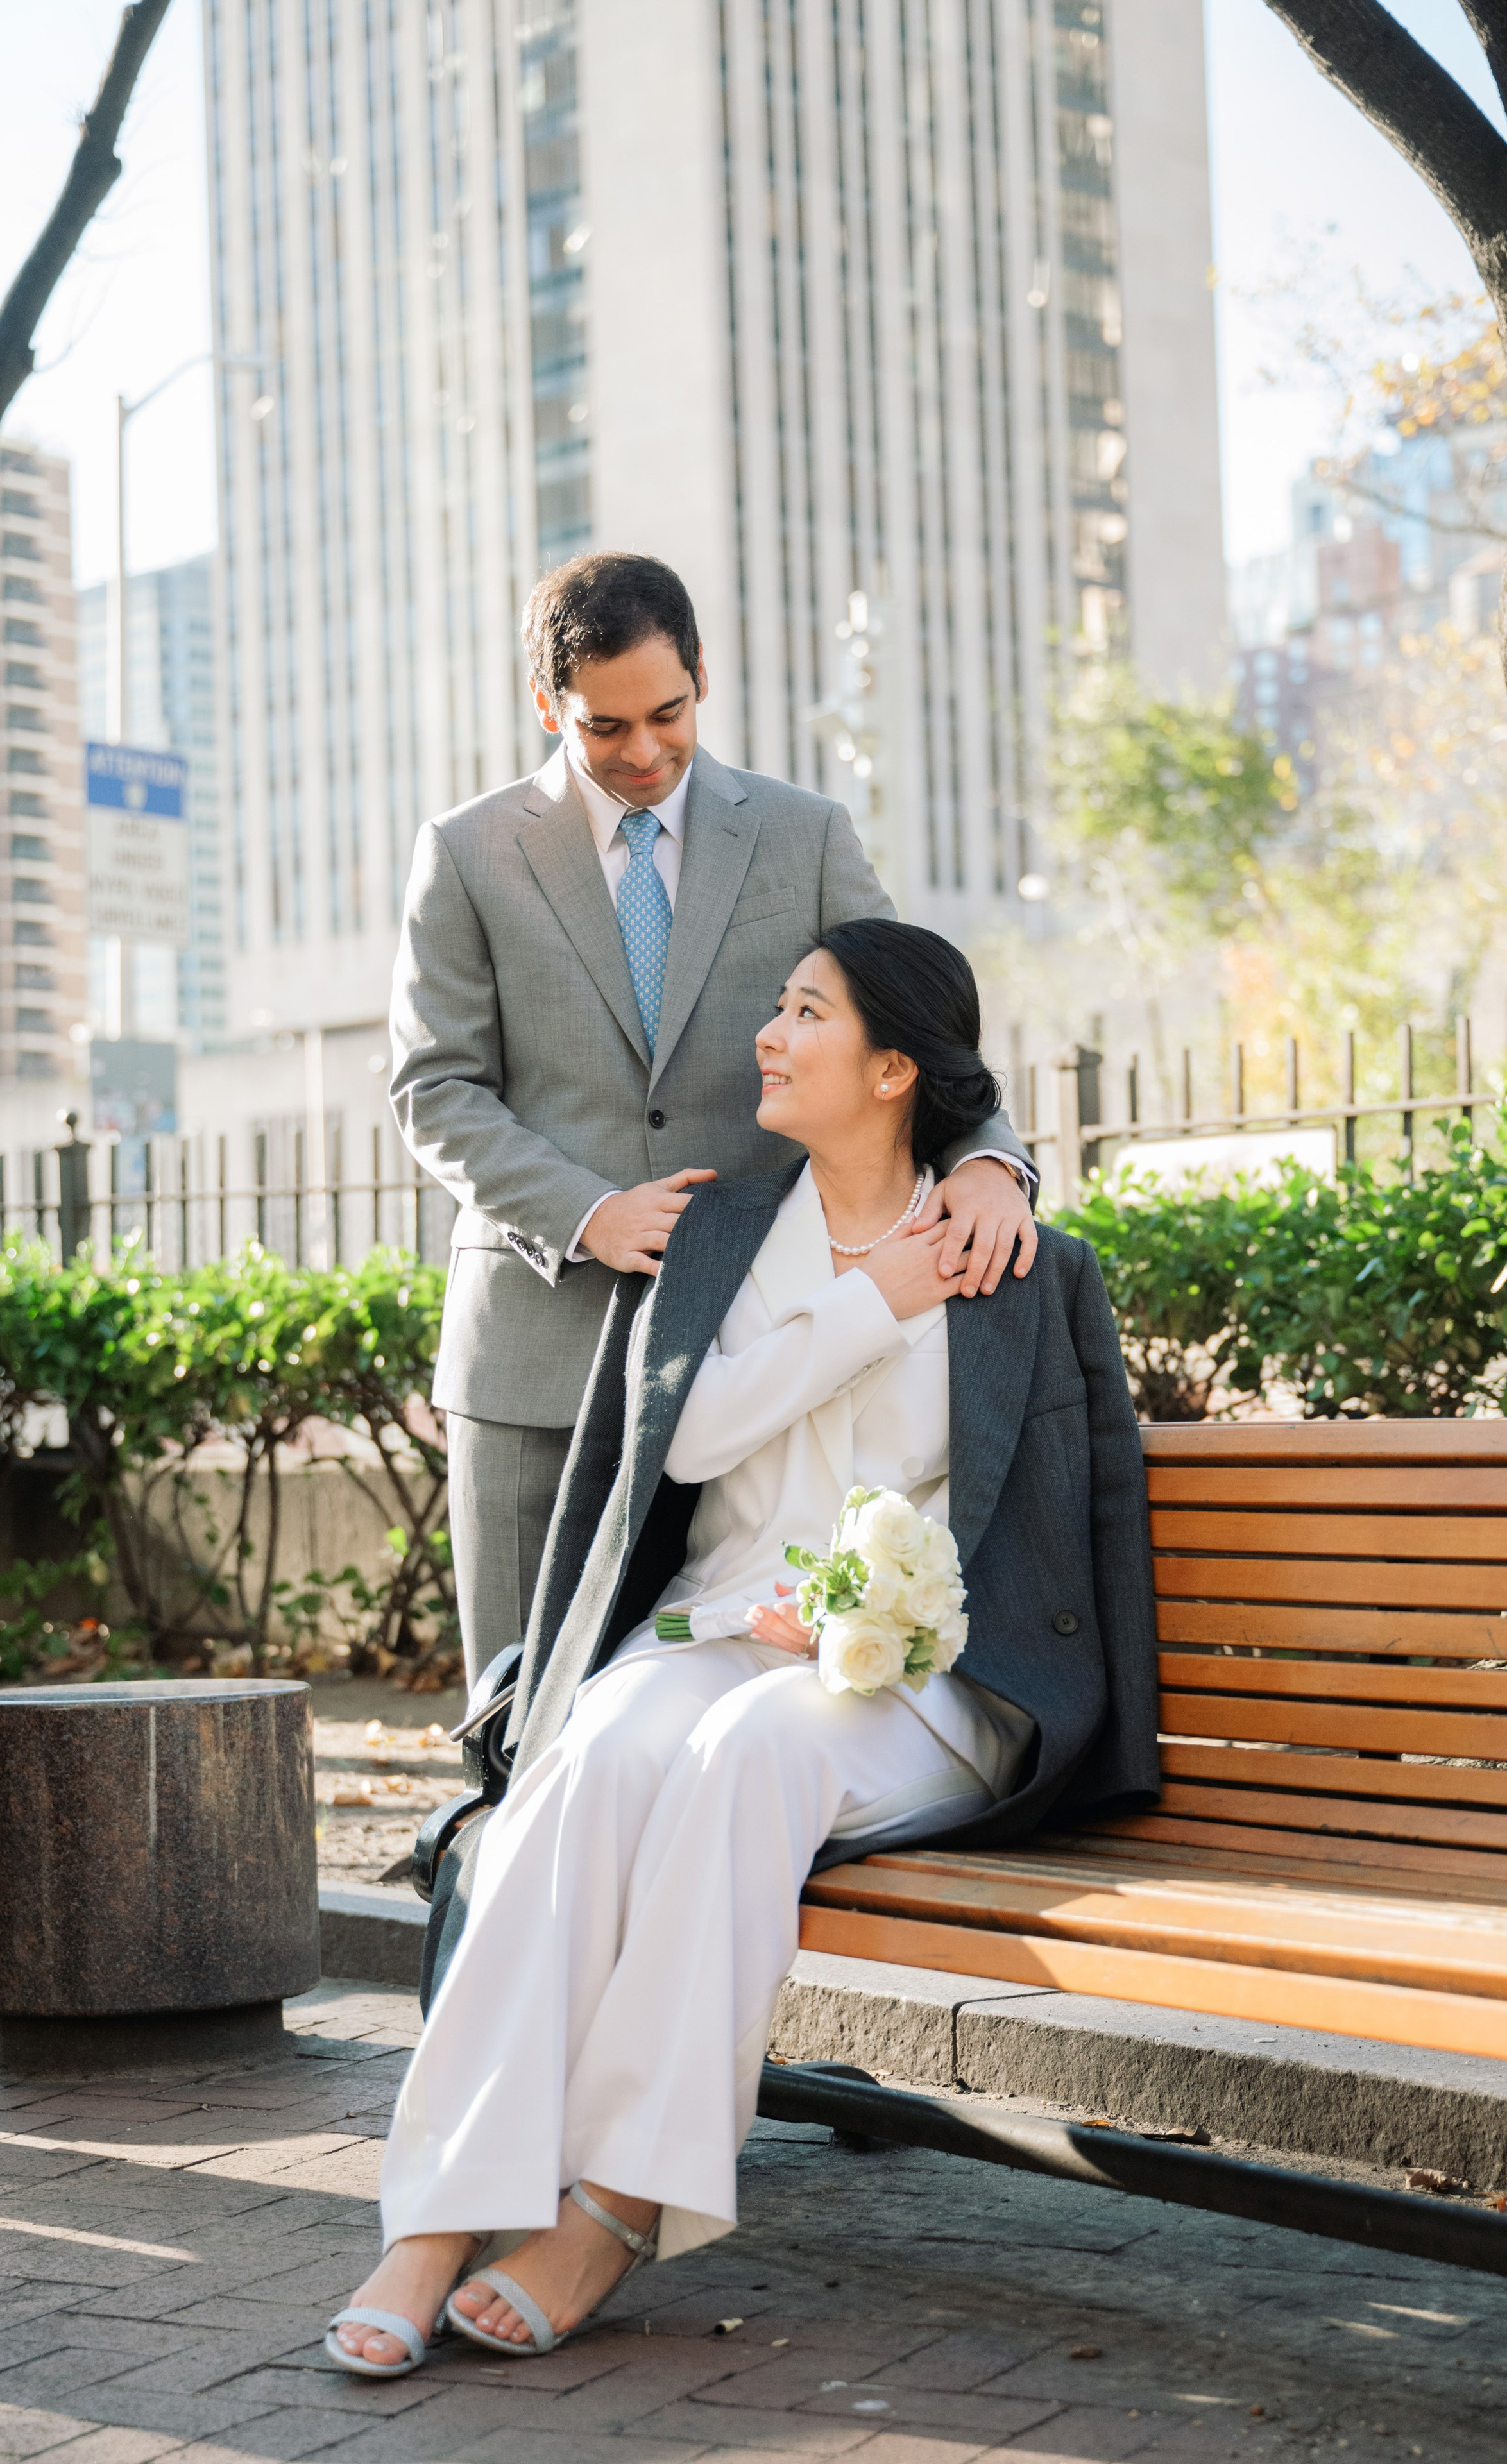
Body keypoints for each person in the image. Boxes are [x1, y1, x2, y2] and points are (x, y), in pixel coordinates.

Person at [328, 917, 1158, 2377]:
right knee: (592, 1759)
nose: (767, 1037)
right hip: (717, 1634)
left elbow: (1046, 1542)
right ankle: (440, 2211)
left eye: (803, 1013)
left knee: (749, 1751)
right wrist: (864, 1302)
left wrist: (877, 1622)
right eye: (775, 1006)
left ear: (894, 1066)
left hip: (920, 1689)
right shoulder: (722, 1228)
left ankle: (613, 2205)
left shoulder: (1015, 1260)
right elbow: (689, 1434)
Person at [389, 552, 1039, 1688]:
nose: (642, 752)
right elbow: (433, 1087)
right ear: (547, 704)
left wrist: (987, 1159)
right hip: (536, 1351)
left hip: (748, 1350)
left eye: (668, 713)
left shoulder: (805, 832)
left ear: (702, 674)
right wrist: (586, 1212)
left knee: (709, 1698)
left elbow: (915, 1025)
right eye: (603, 726)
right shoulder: (466, 852)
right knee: (517, 1701)